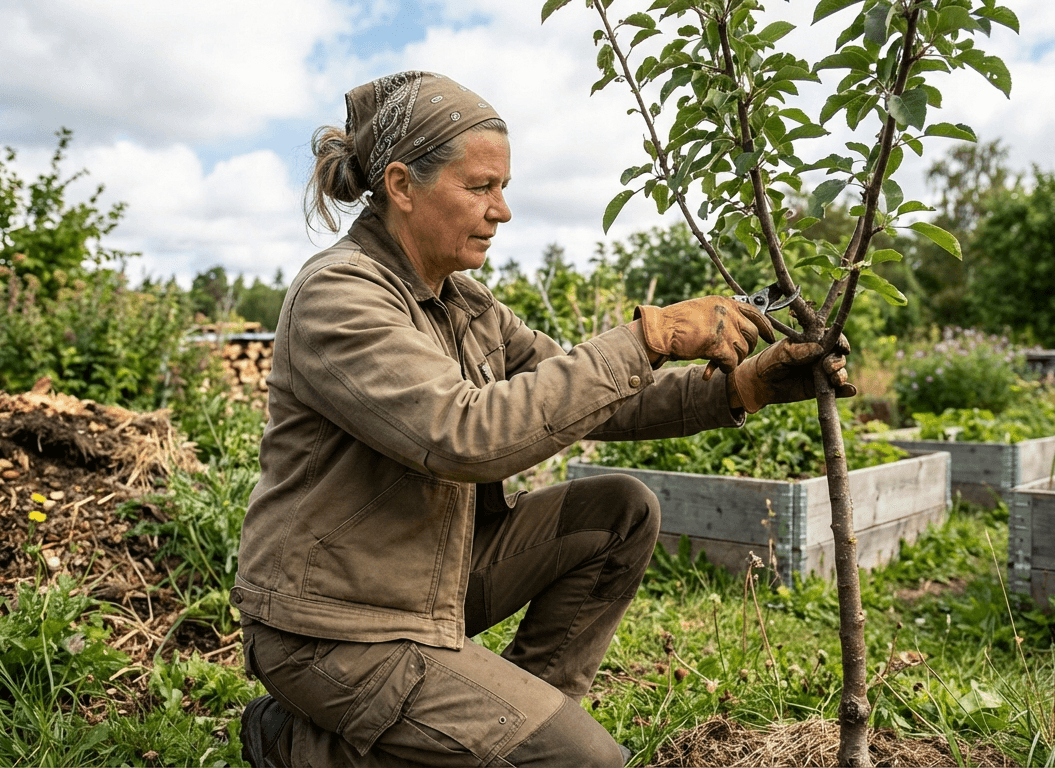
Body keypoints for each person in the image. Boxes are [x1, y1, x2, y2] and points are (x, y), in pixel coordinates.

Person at [234, 70, 854, 768]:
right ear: (403, 186)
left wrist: (742, 387)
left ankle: (502, 728)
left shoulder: (466, 306)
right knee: (590, 764)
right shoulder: (340, 296)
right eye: (480, 187)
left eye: (503, 187)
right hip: (334, 626)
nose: (502, 210)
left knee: (619, 512)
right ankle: (299, 747)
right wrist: (647, 336)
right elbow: (465, 435)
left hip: (424, 585)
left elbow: (596, 397)